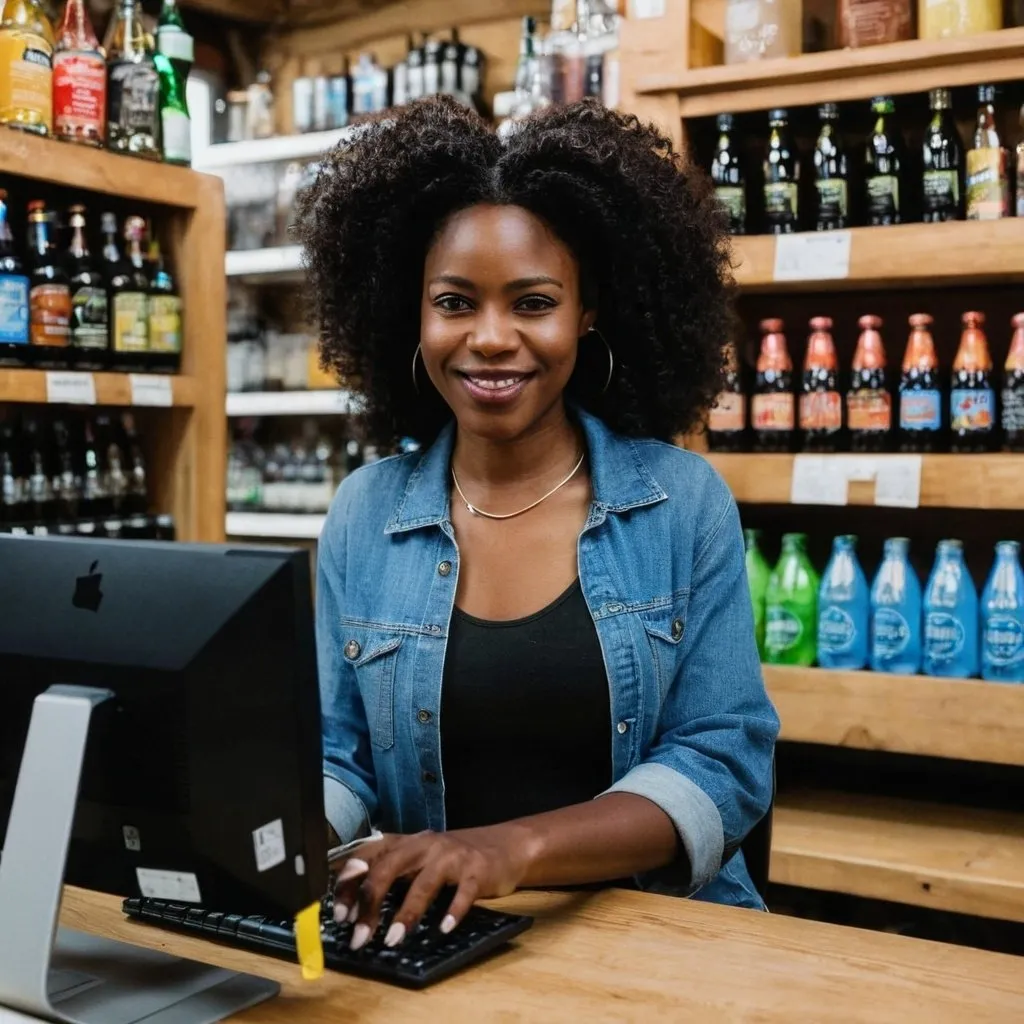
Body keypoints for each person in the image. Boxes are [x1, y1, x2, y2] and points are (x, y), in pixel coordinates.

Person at [299, 97, 779, 953]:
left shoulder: (680, 503)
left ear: (588, 312)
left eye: (532, 302)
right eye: (455, 302)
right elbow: (340, 756)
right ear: (409, 313)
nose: (490, 338)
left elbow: (722, 760)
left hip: (663, 945)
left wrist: (504, 850)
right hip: (432, 948)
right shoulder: (363, 513)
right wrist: (272, 838)